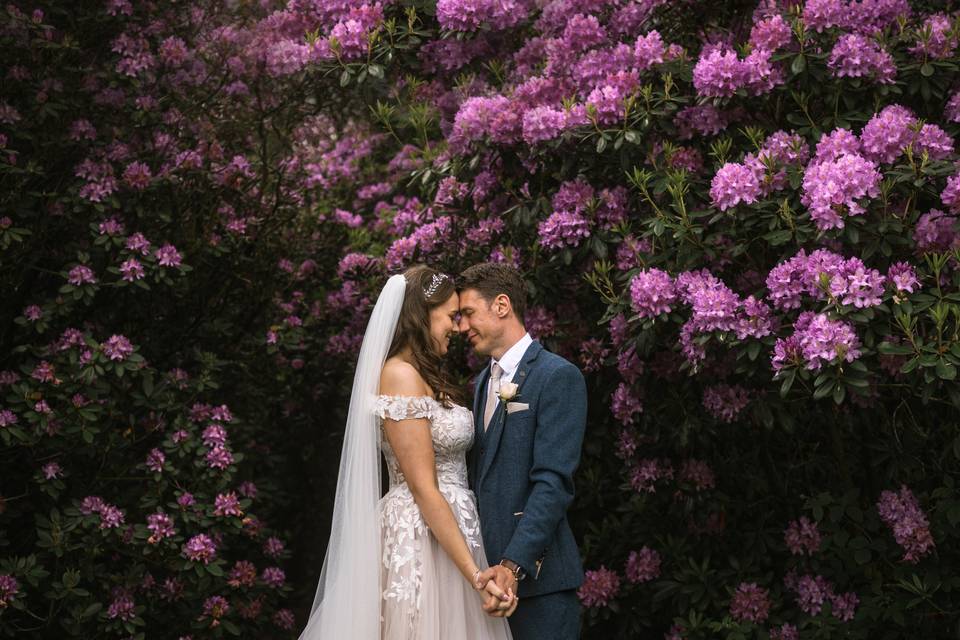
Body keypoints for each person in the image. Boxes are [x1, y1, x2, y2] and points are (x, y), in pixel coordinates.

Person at [299, 265, 514, 640]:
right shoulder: (399, 375)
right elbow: (423, 487)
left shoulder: (426, 375)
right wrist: (476, 575)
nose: (457, 327)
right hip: (421, 536)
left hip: (452, 532)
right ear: (421, 315)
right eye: (450, 316)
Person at [458, 262, 587, 640]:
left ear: (501, 305)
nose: (463, 327)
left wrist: (512, 565)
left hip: (539, 583)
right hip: (485, 584)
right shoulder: (481, 383)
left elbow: (553, 483)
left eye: (468, 313)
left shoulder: (557, 376)